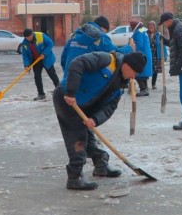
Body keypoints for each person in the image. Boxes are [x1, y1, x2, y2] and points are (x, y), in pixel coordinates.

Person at [53, 51, 147, 190]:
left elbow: (110, 108)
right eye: (134, 71)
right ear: (127, 65)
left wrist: (95, 120)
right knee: (77, 138)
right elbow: (78, 63)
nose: (134, 77)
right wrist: (71, 92)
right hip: (67, 99)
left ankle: (101, 165)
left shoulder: (121, 84)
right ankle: (75, 177)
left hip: (85, 107)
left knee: (89, 138)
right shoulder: (107, 60)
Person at [59, 16, 132, 177]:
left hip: (73, 86)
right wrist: (129, 48)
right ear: (104, 28)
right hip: (72, 93)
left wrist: (72, 81)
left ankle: (100, 163)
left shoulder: (74, 37)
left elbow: (64, 62)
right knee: (77, 135)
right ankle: (75, 177)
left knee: (85, 128)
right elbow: (115, 54)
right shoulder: (100, 38)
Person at [21, 28, 59, 101]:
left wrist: (44, 53)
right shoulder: (25, 43)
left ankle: (60, 91)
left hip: (46, 58)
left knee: (52, 75)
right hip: (36, 60)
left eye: (29, 37)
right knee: (37, 77)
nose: (28, 39)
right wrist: (26, 65)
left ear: (32, 34)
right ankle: (41, 94)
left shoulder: (40, 36)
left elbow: (50, 43)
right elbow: (25, 55)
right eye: (26, 37)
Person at [129, 20, 153, 97]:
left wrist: (133, 49)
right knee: (143, 73)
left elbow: (139, 45)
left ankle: (143, 89)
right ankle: (145, 89)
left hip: (141, 55)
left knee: (136, 72)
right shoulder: (143, 30)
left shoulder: (138, 32)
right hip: (146, 54)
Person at [146, 21, 167, 90]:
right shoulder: (145, 34)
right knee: (147, 69)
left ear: (155, 27)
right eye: (150, 25)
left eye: (153, 26)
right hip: (148, 54)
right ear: (148, 27)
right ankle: (145, 85)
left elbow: (163, 45)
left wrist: (165, 55)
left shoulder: (158, 34)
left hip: (156, 54)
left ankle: (153, 84)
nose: (151, 27)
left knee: (155, 70)